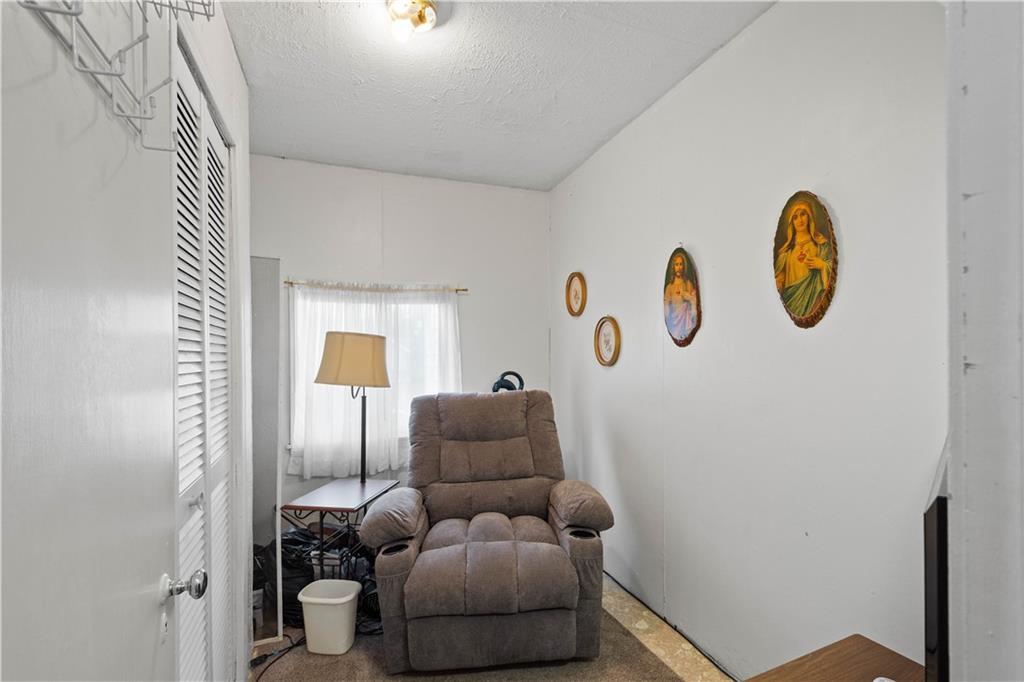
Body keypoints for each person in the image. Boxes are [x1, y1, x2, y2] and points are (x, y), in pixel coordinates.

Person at [774, 199, 833, 319]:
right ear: (792, 222)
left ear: (809, 217)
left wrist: (822, 265)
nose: (799, 220)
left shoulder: (821, 245)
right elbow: (780, 281)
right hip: (792, 302)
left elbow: (830, 270)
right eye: (795, 217)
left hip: (814, 302)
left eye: (803, 214)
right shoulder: (786, 252)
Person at [664, 250, 698, 342]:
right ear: (673, 267)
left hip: (686, 326)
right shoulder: (669, 288)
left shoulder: (688, 285)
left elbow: (694, 314)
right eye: (676, 264)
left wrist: (690, 299)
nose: (678, 267)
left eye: (680, 264)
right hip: (674, 329)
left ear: (684, 266)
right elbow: (667, 314)